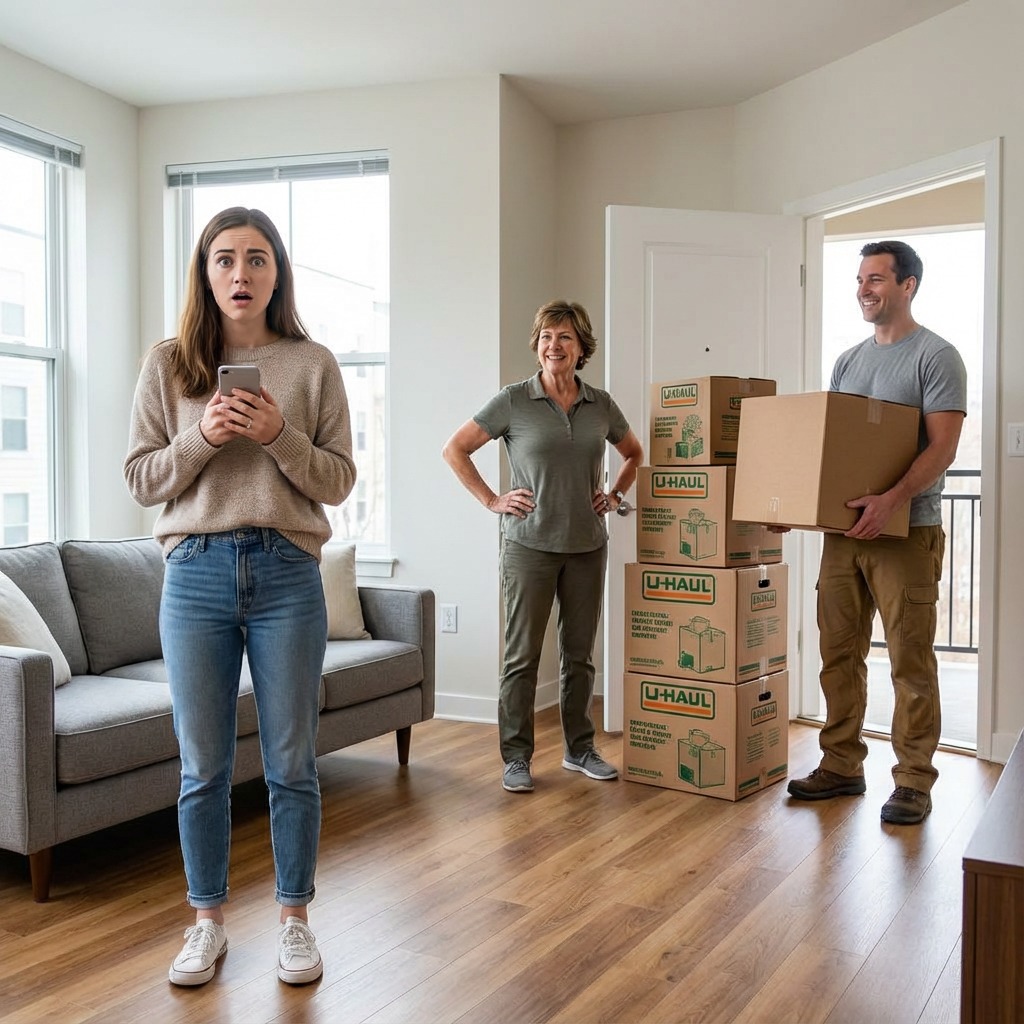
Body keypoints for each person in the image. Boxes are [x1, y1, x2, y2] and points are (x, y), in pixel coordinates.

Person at [123, 207, 356, 985]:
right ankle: (206, 923)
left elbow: (338, 480)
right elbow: (142, 477)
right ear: (205, 272)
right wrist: (206, 437)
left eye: (257, 259)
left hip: (288, 572)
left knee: (292, 761)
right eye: (225, 259)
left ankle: (294, 920)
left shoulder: (313, 362)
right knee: (203, 765)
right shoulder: (169, 364)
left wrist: (277, 435)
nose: (241, 274)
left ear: (276, 273)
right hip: (194, 574)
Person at [786, 240, 967, 825]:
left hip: (906, 533)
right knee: (838, 653)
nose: (864, 289)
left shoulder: (936, 357)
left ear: (908, 285)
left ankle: (913, 780)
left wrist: (892, 500)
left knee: (910, 661)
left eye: (877, 279)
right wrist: (795, 504)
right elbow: (835, 449)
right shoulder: (848, 361)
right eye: (860, 279)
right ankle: (841, 764)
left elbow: (943, 446)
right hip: (843, 534)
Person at [442, 299, 643, 793]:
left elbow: (634, 452)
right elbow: (456, 449)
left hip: (586, 545)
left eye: (565, 338)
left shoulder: (601, 404)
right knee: (522, 656)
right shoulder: (513, 400)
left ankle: (580, 749)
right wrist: (492, 499)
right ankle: (516, 757)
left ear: (581, 348)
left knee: (579, 655)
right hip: (528, 545)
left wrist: (615, 495)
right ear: (537, 346)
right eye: (547, 337)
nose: (555, 346)